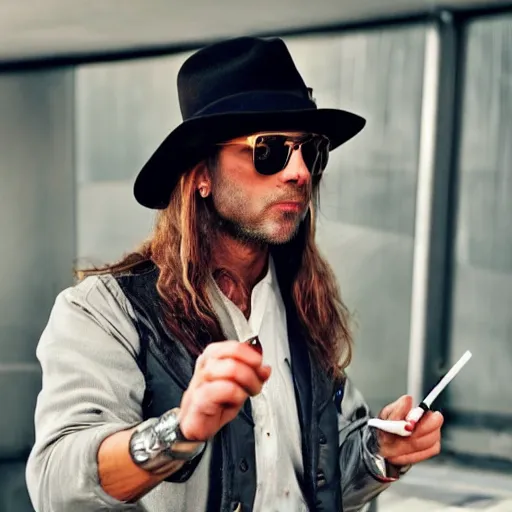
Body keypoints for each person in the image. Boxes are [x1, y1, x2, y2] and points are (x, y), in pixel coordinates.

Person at [26, 36, 443, 512]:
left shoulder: (305, 302)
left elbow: (316, 481)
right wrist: (179, 431)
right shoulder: (105, 311)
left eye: (312, 152)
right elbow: (57, 484)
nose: (300, 172)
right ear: (202, 175)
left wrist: (379, 452)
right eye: (271, 151)